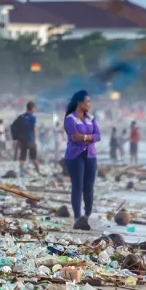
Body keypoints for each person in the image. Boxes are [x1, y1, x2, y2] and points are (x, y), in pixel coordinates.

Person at [64, 90, 100, 230]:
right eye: (87, 101)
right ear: (79, 103)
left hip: (90, 155)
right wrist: (90, 137)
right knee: (77, 187)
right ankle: (77, 217)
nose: (89, 104)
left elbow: (98, 136)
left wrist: (85, 137)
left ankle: (87, 215)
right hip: (75, 155)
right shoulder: (70, 119)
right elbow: (74, 137)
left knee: (89, 187)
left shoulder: (91, 118)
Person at [18, 100, 39, 173]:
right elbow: (33, 129)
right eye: (34, 108)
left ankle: (20, 171)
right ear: (32, 108)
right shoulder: (32, 117)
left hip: (23, 140)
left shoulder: (21, 117)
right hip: (30, 140)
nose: (35, 110)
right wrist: (34, 139)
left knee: (22, 157)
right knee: (34, 157)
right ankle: (38, 171)